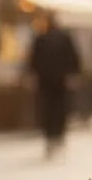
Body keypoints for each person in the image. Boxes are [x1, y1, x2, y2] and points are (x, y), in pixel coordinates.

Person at [27, 11, 80, 156]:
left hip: (46, 80)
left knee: (48, 109)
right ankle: (57, 135)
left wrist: (34, 76)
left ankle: (51, 136)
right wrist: (72, 74)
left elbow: (33, 60)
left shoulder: (41, 38)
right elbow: (73, 58)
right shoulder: (64, 38)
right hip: (60, 80)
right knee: (59, 108)